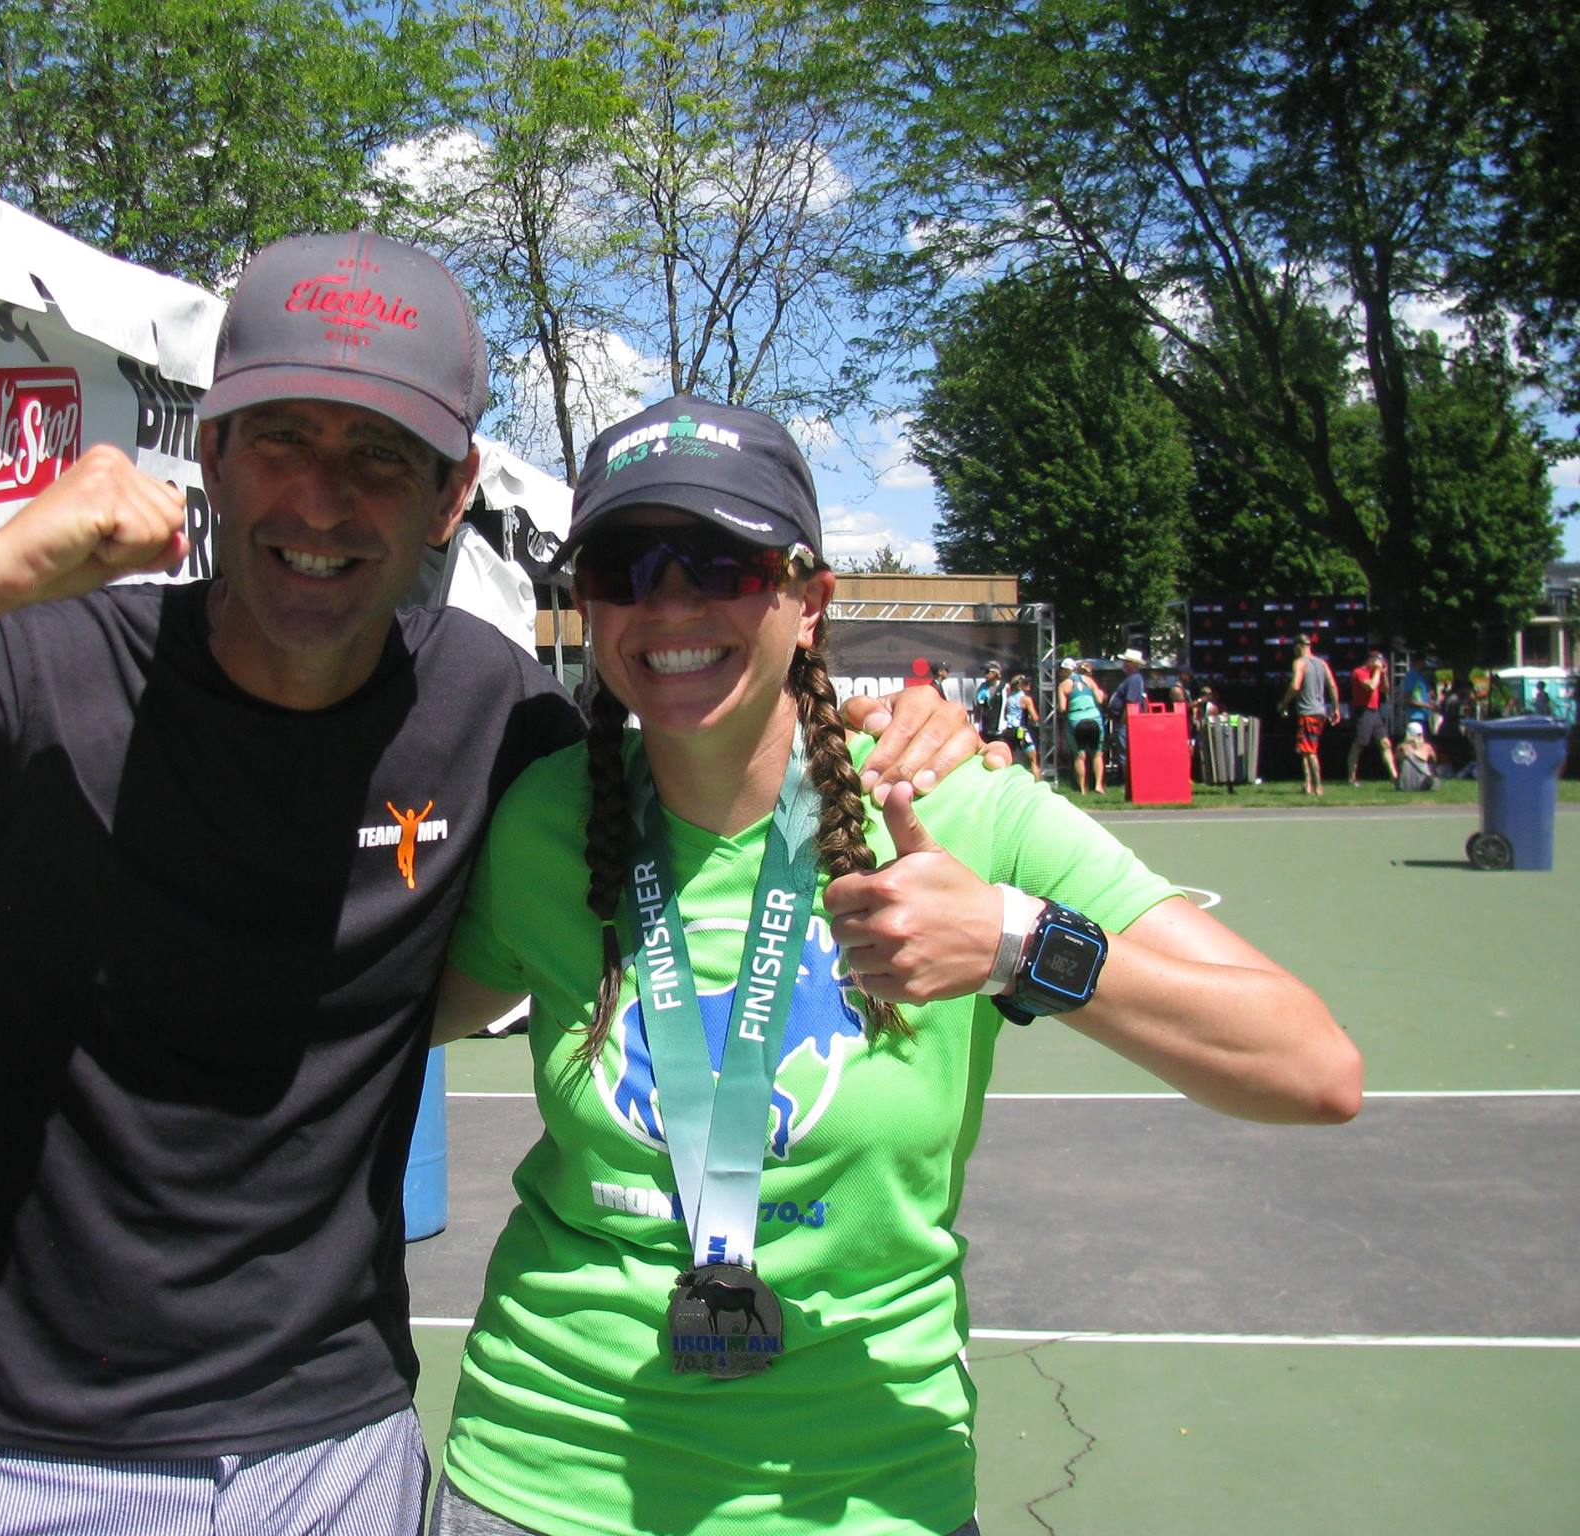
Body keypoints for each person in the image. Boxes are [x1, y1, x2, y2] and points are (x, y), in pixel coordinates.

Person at [0, 232, 991, 1534]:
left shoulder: (490, 711)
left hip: (336, 1455)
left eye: (380, 457)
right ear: (211, 454)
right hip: (30, 1458)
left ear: (451, 497)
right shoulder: (41, 671)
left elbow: (707, 768)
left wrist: (896, 731)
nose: (322, 501)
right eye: (280, 439)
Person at [425, 396, 1362, 1536]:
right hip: (541, 1473)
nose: (669, 604)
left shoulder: (952, 808)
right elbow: (375, 1017)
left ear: (809, 600)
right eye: (625, 567)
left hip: (867, 1488)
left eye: (721, 563)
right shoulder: (542, 820)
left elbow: (1313, 1068)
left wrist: (1016, 943)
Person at [1279, 636, 1341, 796]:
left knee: (1310, 751)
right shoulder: (1322, 663)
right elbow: (1332, 685)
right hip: (1320, 712)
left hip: (1308, 712)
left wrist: (1284, 702)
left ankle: (1318, 786)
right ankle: (1307, 785)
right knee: (1305, 750)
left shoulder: (1300, 663)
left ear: (1299, 646)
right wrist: (1336, 708)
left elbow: (1295, 685)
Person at [1346, 646, 1397, 787]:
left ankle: (1394, 776)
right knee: (1359, 745)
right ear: (1371, 661)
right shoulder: (1359, 672)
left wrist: (1384, 674)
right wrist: (1378, 671)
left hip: (1375, 712)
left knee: (1385, 743)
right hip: (1363, 711)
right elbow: (1371, 686)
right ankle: (1351, 777)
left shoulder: (1376, 673)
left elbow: (1385, 689)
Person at [1058, 659, 1106, 794]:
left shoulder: (1063, 685)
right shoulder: (1089, 680)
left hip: (1076, 719)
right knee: (1097, 753)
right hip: (1094, 717)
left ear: (1065, 670)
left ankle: (1082, 788)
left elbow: (1062, 708)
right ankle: (1098, 785)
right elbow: (1100, 700)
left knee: (1079, 755)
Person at [1105, 647, 1148, 782]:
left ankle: (1130, 780)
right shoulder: (1131, 679)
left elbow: (1131, 703)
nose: (1124, 664)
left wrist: (1123, 722)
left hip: (1125, 722)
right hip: (1123, 721)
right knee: (1123, 751)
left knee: (1125, 752)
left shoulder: (1134, 679)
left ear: (1132, 664)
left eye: (1126, 662)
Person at [1004, 672, 1042, 781]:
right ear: (1020, 686)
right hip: (1021, 730)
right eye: (1026, 683)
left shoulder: (1009, 698)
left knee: (1010, 760)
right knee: (1033, 760)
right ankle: (1037, 784)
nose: (1029, 685)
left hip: (1009, 730)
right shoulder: (1025, 699)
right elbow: (1035, 717)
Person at [1397, 720, 1438, 791]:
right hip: (1424, 785)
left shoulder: (1401, 747)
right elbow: (1434, 760)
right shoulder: (1427, 747)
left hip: (1404, 786)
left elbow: (1397, 762)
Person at [972, 659, 1007, 744]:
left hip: (1001, 730)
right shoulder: (982, 687)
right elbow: (978, 707)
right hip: (985, 730)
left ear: (996, 673)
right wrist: (976, 724)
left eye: (988, 672)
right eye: (985, 672)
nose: (985, 674)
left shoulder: (1005, 687)